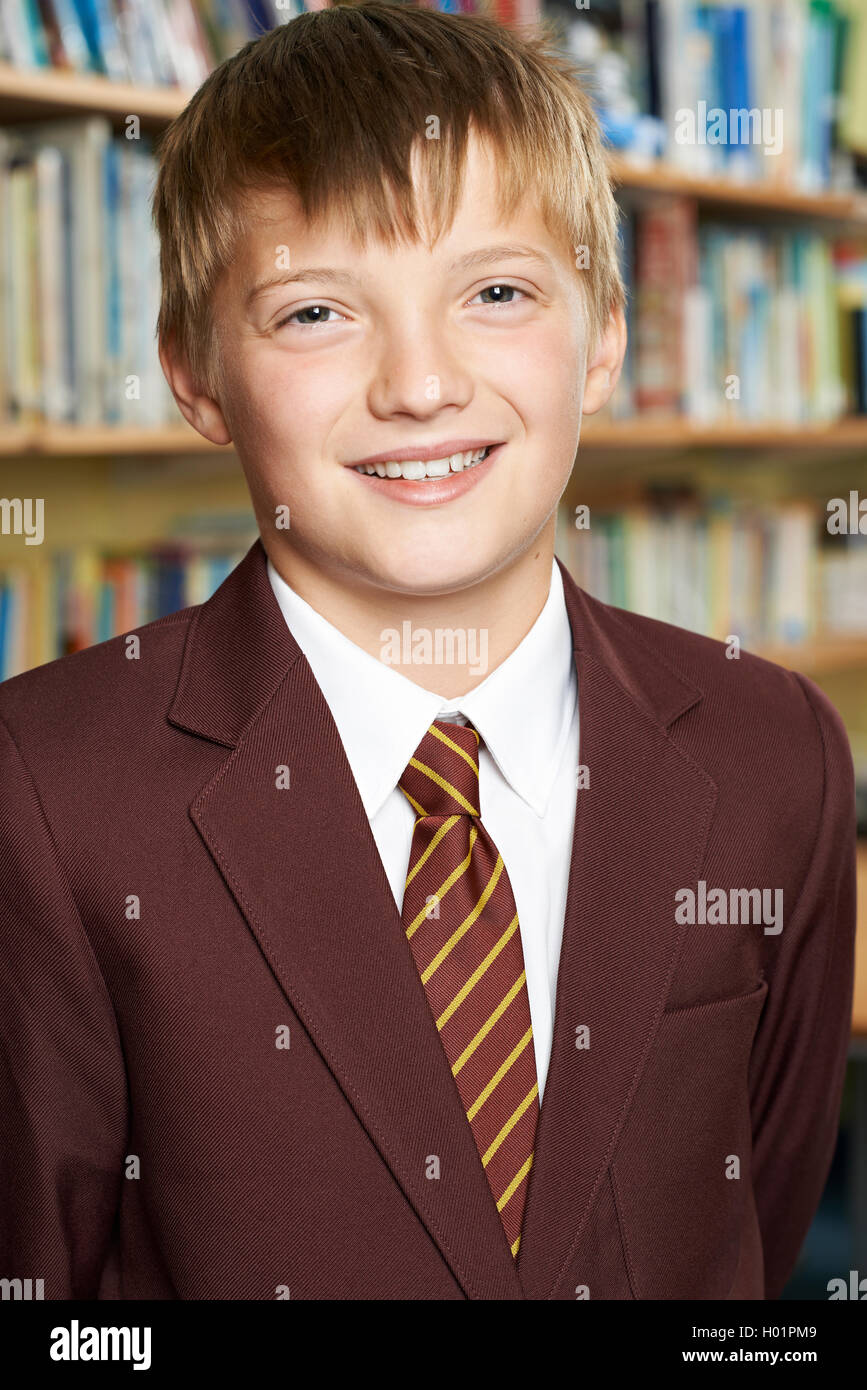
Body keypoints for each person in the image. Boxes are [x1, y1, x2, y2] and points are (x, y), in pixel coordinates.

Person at [0, 3, 855, 1300]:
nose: (420, 384)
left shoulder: (773, 747)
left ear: (607, 337)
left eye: (498, 292)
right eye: (314, 314)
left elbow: (766, 1194)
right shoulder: (48, 788)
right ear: (194, 373)